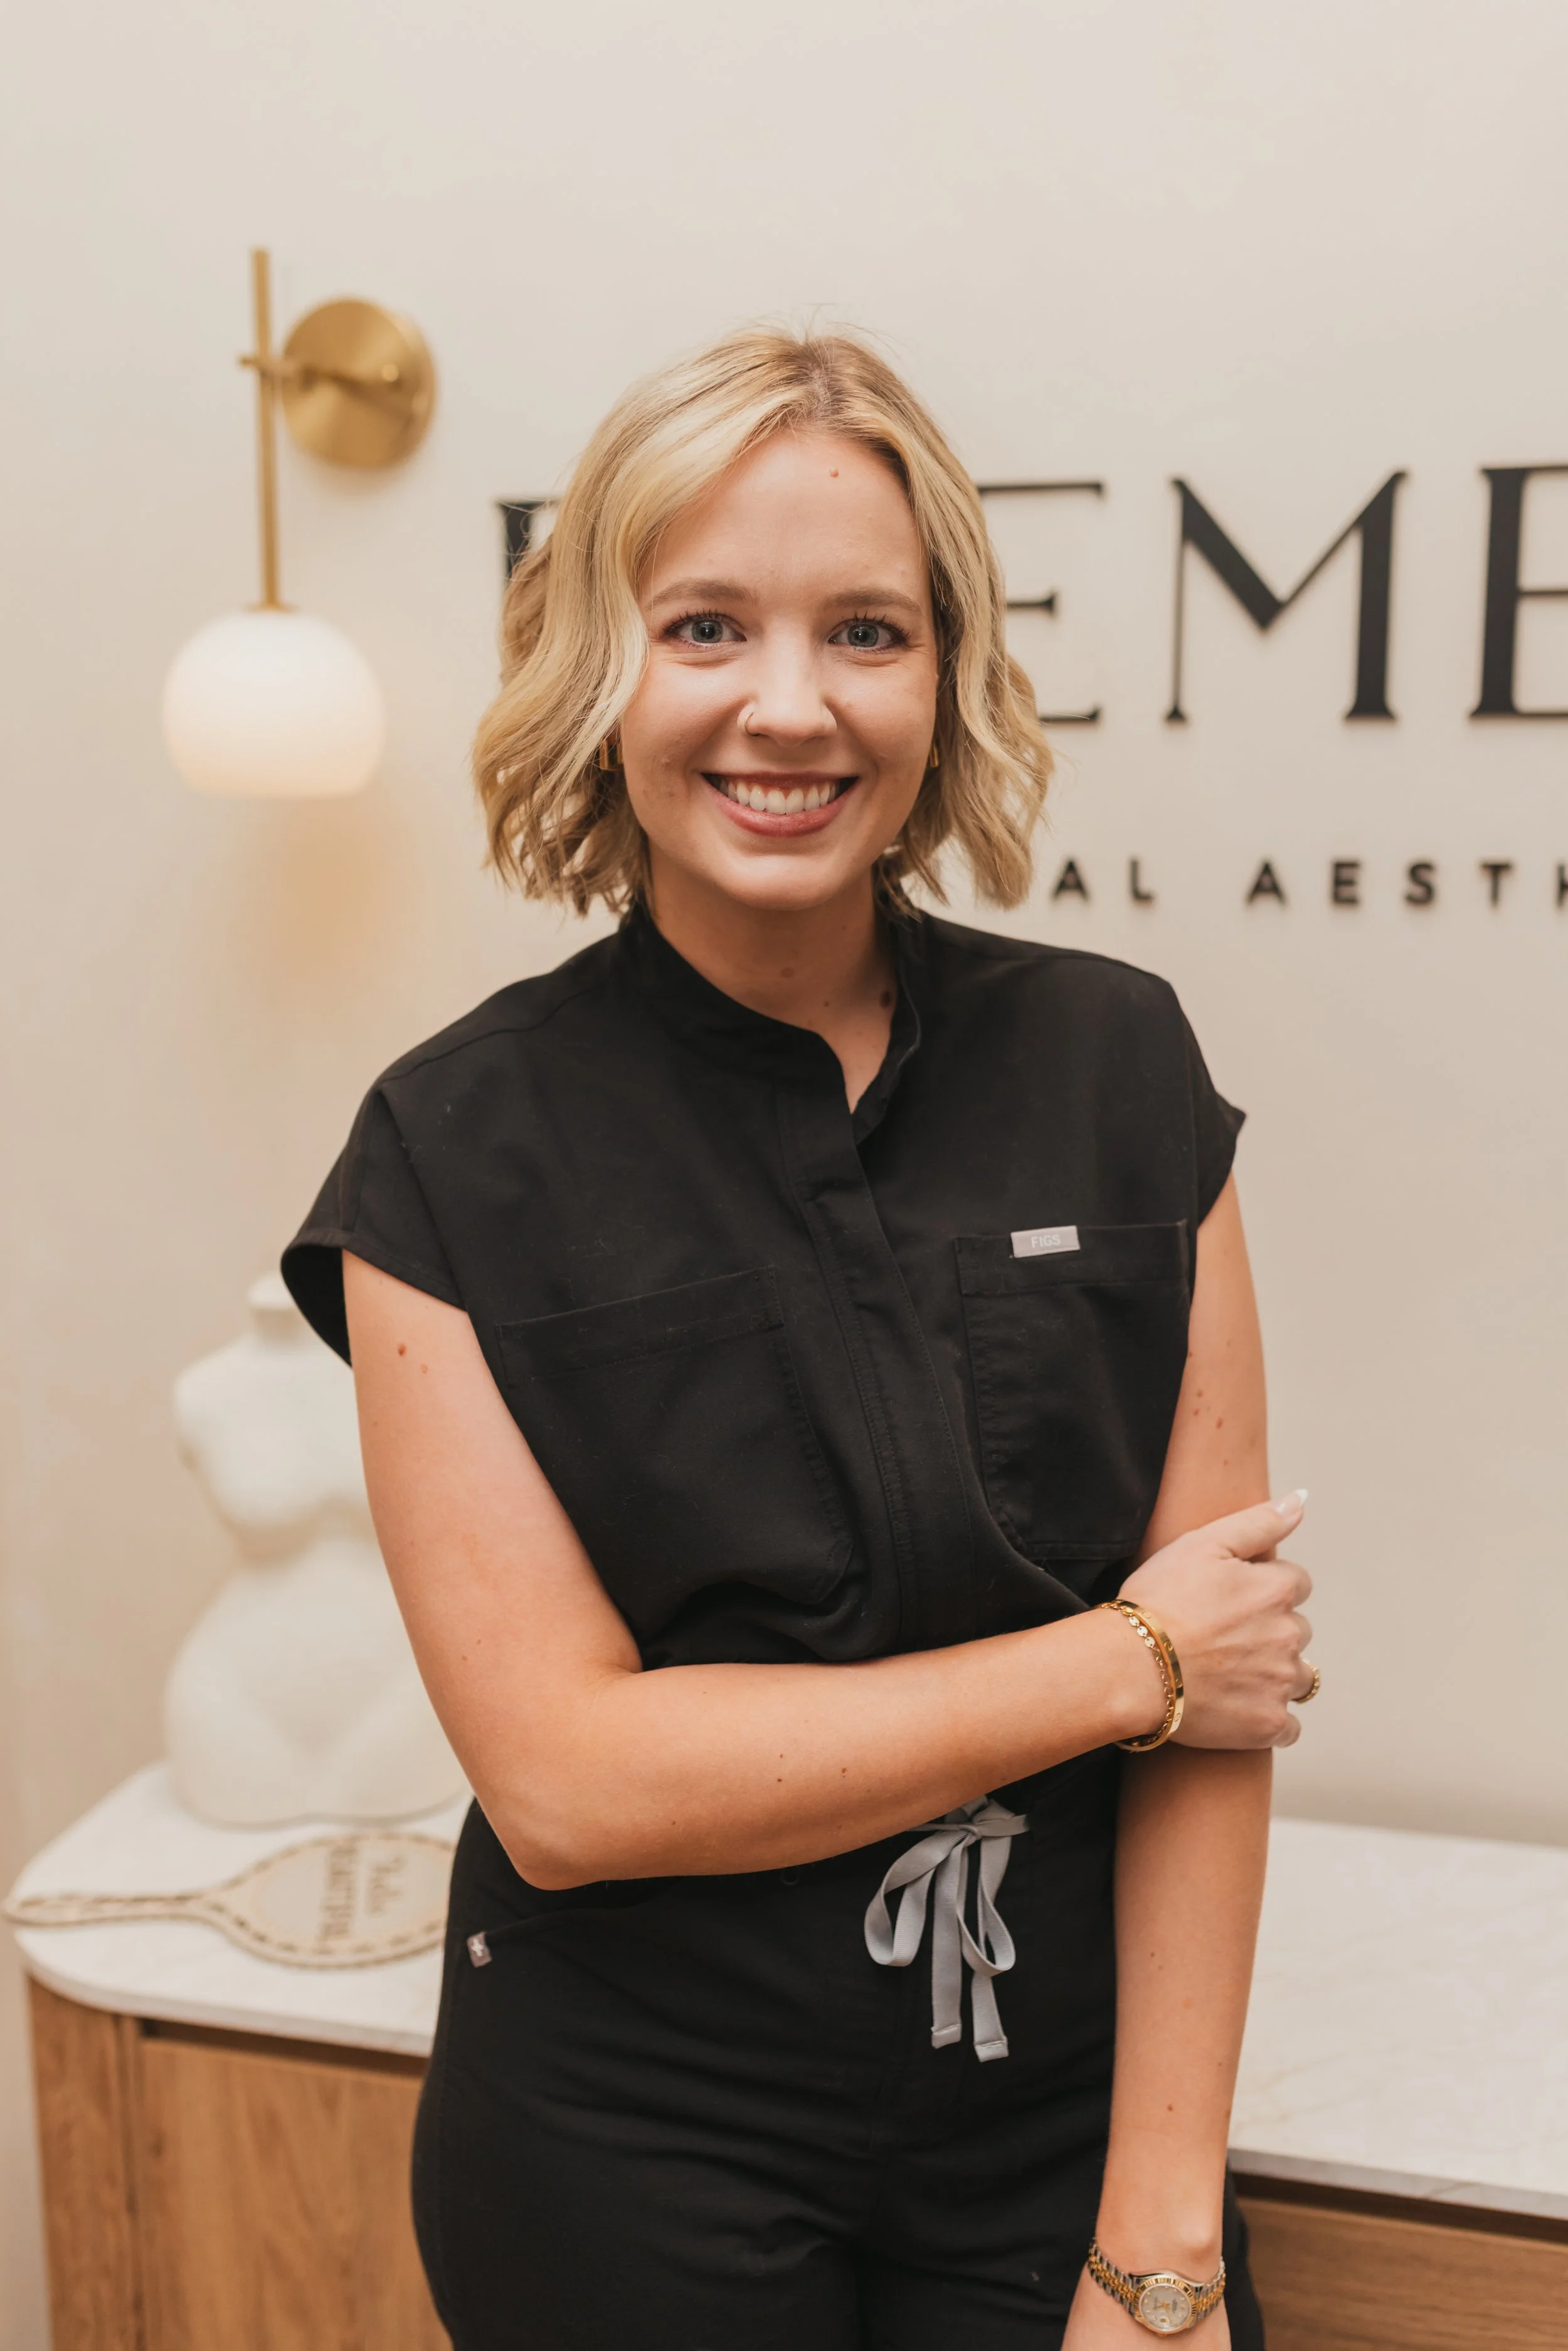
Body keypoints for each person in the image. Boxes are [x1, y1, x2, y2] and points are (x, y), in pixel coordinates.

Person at [283, 327, 1315, 2351]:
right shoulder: (446, 1148)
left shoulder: (1120, 1062)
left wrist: (1160, 2238)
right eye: (702, 626)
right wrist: (1127, 1656)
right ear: (602, 667)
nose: (788, 705)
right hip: (623, 2139)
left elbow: (1231, 1703)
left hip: (1068, 2123)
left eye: (864, 629)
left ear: (945, 676)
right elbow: (571, 1779)